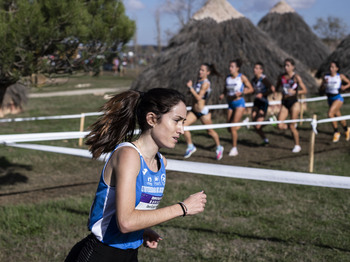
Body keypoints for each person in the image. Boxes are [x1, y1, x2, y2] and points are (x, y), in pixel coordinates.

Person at [65, 88, 207, 262]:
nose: (182, 130)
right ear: (152, 119)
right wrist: (183, 208)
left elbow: (131, 212)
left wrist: (142, 230)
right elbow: (126, 222)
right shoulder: (128, 155)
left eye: (183, 122)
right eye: (176, 121)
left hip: (130, 254)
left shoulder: (161, 162)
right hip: (101, 254)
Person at [184, 63, 224, 160]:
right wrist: (190, 90)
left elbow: (198, 97)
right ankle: (190, 146)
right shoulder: (198, 81)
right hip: (194, 111)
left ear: (208, 72)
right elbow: (193, 93)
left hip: (203, 112)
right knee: (183, 126)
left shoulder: (206, 83)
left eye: (202, 70)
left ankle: (219, 147)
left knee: (210, 132)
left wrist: (190, 88)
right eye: (200, 69)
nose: (200, 71)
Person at [219, 59, 254, 156]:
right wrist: (223, 94)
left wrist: (242, 92)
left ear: (237, 68)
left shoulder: (241, 77)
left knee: (233, 127)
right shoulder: (228, 78)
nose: (230, 68)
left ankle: (234, 148)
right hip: (230, 103)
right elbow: (225, 89)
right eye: (229, 66)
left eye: (232, 66)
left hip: (239, 103)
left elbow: (251, 89)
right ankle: (243, 123)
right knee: (229, 128)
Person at [276, 58, 307, 153]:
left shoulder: (296, 77)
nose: (286, 67)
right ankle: (290, 126)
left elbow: (305, 90)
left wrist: (295, 92)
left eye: (288, 65)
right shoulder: (281, 77)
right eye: (285, 65)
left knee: (292, 127)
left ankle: (297, 145)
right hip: (285, 103)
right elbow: (277, 87)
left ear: (293, 67)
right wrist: (275, 93)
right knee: (279, 125)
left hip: (294, 103)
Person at [320, 61, 350, 142]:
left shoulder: (340, 76)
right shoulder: (326, 77)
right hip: (329, 98)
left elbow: (349, 83)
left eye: (333, 67)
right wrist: (324, 84)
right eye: (330, 67)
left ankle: (336, 132)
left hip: (338, 98)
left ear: (337, 68)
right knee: (339, 117)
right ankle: (347, 130)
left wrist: (345, 87)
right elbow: (321, 88)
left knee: (330, 114)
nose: (331, 69)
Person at [251, 62, 275, 145]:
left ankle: (269, 121)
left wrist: (263, 94)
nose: (255, 70)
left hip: (263, 102)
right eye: (254, 68)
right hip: (256, 102)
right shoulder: (253, 80)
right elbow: (253, 90)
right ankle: (265, 139)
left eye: (257, 68)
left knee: (257, 126)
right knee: (254, 123)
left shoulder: (264, 79)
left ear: (261, 70)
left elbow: (272, 88)